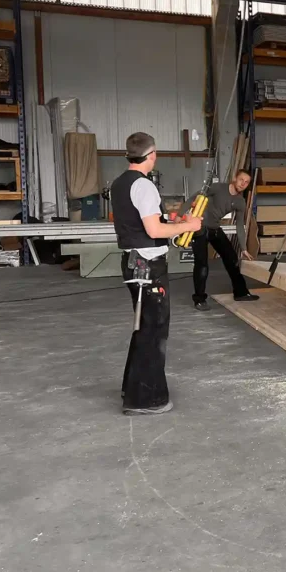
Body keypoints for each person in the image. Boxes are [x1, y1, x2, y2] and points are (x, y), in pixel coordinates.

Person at [111, 132, 202, 416]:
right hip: (148, 266)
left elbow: (146, 221)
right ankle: (145, 400)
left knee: (144, 327)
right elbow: (153, 230)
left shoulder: (120, 183)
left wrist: (173, 221)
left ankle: (132, 387)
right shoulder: (144, 185)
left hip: (133, 262)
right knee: (154, 331)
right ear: (152, 155)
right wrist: (188, 227)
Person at [189, 169, 259, 311]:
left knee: (232, 258)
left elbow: (240, 225)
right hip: (199, 228)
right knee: (202, 265)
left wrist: (243, 248)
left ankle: (241, 293)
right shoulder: (218, 188)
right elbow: (195, 197)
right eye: (241, 180)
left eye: (246, 182)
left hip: (214, 229)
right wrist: (180, 216)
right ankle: (199, 300)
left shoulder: (240, 201)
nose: (243, 184)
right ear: (235, 178)